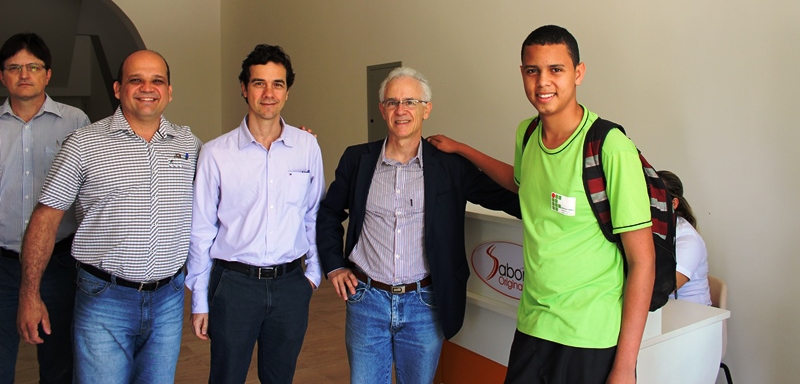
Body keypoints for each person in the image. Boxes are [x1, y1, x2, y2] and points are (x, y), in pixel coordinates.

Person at [427, 25, 655, 384]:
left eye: (556, 69)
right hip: (533, 324)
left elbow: (643, 262)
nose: (543, 82)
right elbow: (521, 182)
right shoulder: (528, 133)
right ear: (522, 73)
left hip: (590, 334)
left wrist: (625, 368)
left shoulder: (610, 147)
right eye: (533, 70)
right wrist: (463, 149)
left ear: (578, 73)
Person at [316, 66, 520, 384]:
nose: (401, 110)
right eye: (393, 102)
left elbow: (508, 197)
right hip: (367, 300)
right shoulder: (357, 160)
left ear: (427, 109)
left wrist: (559, 202)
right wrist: (334, 267)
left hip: (424, 304)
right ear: (382, 109)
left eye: (410, 102)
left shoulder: (450, 166)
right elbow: (329, 213)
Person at [17, 49, 201, 384]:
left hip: (168, 300)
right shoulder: (83, 144)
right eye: (136, 80)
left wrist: (291, 141)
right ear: (118, 89)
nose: (147, 88)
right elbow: (45, 218)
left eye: (157, 80)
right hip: (105, 299)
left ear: (169, 91)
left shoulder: (190, 144)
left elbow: (231, 187)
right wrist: (30, 294)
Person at [186, 44, 324, 384]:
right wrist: (199, 300)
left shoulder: (307, 146)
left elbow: (314, 215)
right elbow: (201, 230)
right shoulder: (215, 153)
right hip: (234, 286)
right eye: (259, 83)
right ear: (244, 89)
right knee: (227, 377)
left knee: (280, 378)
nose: (268, 93)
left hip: (291, 284)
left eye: (277, 84)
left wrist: (313, 275)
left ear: (287, 92)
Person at [0, 33, 90, 384]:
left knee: (59, 364)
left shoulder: (75, 122)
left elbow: (89, 190)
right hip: (3, 263)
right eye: (14, 68)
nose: (24, 74)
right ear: (2, 76)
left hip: (59, 263)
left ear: (48, 74)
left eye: (33, 67)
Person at [658, 170, 711, 306]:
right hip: (663, 311)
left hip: (694, 315)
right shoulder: (654, 232)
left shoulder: (689, 240)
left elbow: (663, 288)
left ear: (673, 204)